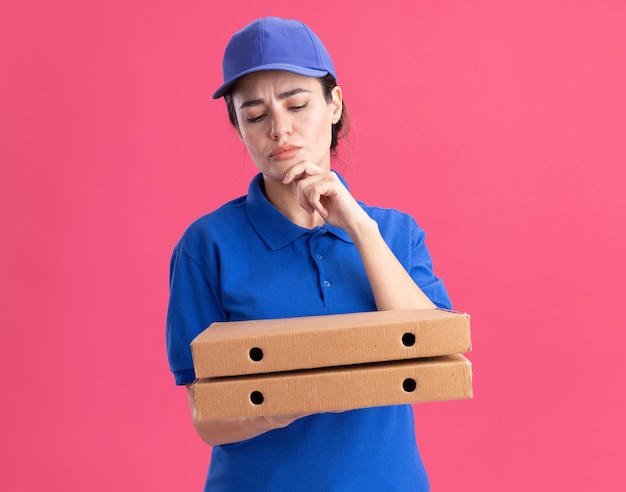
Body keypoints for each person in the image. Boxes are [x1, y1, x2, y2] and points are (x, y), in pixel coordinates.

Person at [166, 16, 452, 491]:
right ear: (238, 129)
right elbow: (206, 418)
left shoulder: (395, 234)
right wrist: (291, 394)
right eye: (255, 116)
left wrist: (360, 228)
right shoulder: (206, 247)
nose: (280, 129)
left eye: (297, 105)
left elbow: (435, 354)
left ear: (334, 104)